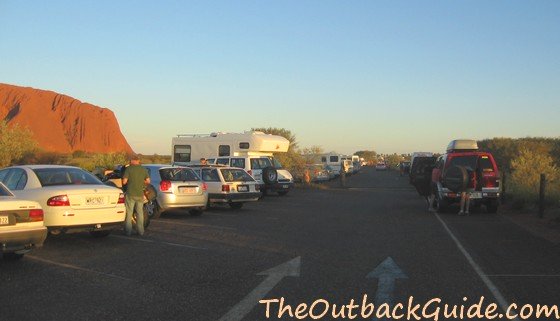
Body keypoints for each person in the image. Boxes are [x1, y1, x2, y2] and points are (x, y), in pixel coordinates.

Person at [122, 155, 150, 236]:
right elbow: (148, 181)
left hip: (130, 194)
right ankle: (140, 231)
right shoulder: (143, 169)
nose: (130, 162)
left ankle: (128, 231)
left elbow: (124, 181)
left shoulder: (128, 169)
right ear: (138, 161)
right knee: (140, 213)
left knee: (129, 213)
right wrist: (142, 182)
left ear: (133, 161)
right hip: (140, 194)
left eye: (130, 160)